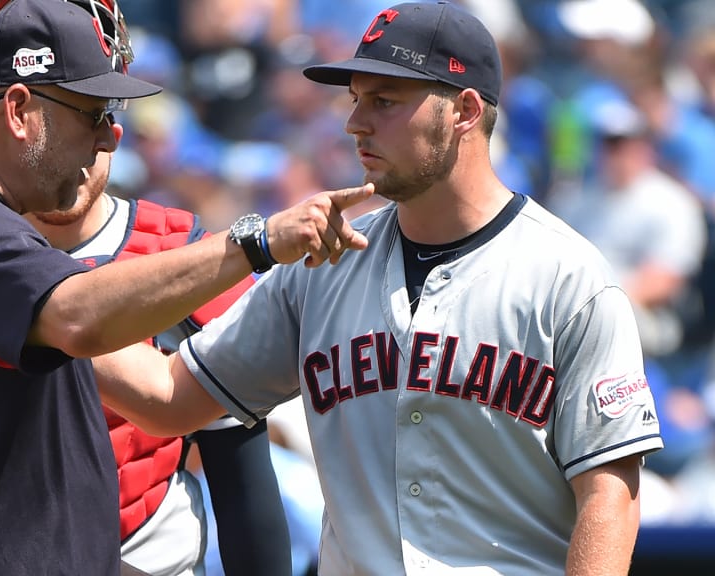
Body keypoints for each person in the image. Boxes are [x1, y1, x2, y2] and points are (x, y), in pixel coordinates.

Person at [92, 3, 665, 575]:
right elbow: (170, 399)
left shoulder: (568, 276)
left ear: (464, 110)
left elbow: (609, 496)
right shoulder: (320, 266)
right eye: (355, 99)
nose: (355, 123)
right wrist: (42, 302)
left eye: (384, 101)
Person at [0, 0, 372, 574]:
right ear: (20, 109)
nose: (110, 137)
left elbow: (167, 399)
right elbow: (80, 317)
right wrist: (257, 241)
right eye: (93, 113)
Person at [26, 131, 291, 576]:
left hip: (153, 555)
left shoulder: (184, 256)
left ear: (108, 135)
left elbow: (241, 475)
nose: (66, 159)